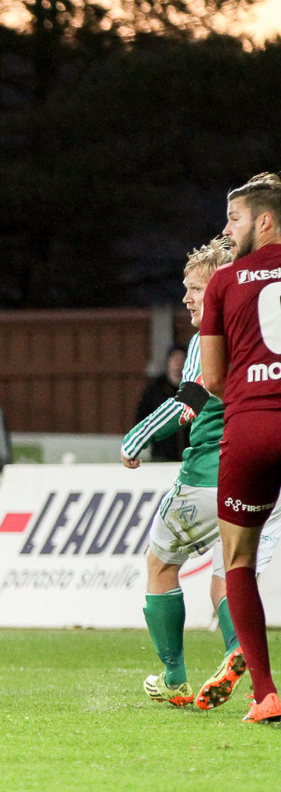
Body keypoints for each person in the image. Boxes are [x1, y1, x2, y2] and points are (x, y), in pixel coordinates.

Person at [119, 238, 280, 708]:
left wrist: (135, 438)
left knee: (159, 564)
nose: (187, 298)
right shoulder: (263, 331)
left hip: (210, 472)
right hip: (264, 474)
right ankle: (237, 653)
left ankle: (174, 678)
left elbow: (188, 399)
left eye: (195, 288)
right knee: (230, 574)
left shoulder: (209, 334)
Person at [197, 172, 281, 724]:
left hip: (251, 427)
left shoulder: (224, 282)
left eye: (235, 219)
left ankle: (267, 695)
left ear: (265, 221)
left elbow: (211, 379)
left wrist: (254, 398)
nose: (227, 230)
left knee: (239, 561)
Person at [133, 347, 190, 462]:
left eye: (182, 359)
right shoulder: (155, 389)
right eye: (175, 359)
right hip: (162, 453)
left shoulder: (194, 389)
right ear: (168, 362)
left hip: (190, 452)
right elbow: (142, 416)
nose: (178, 363)